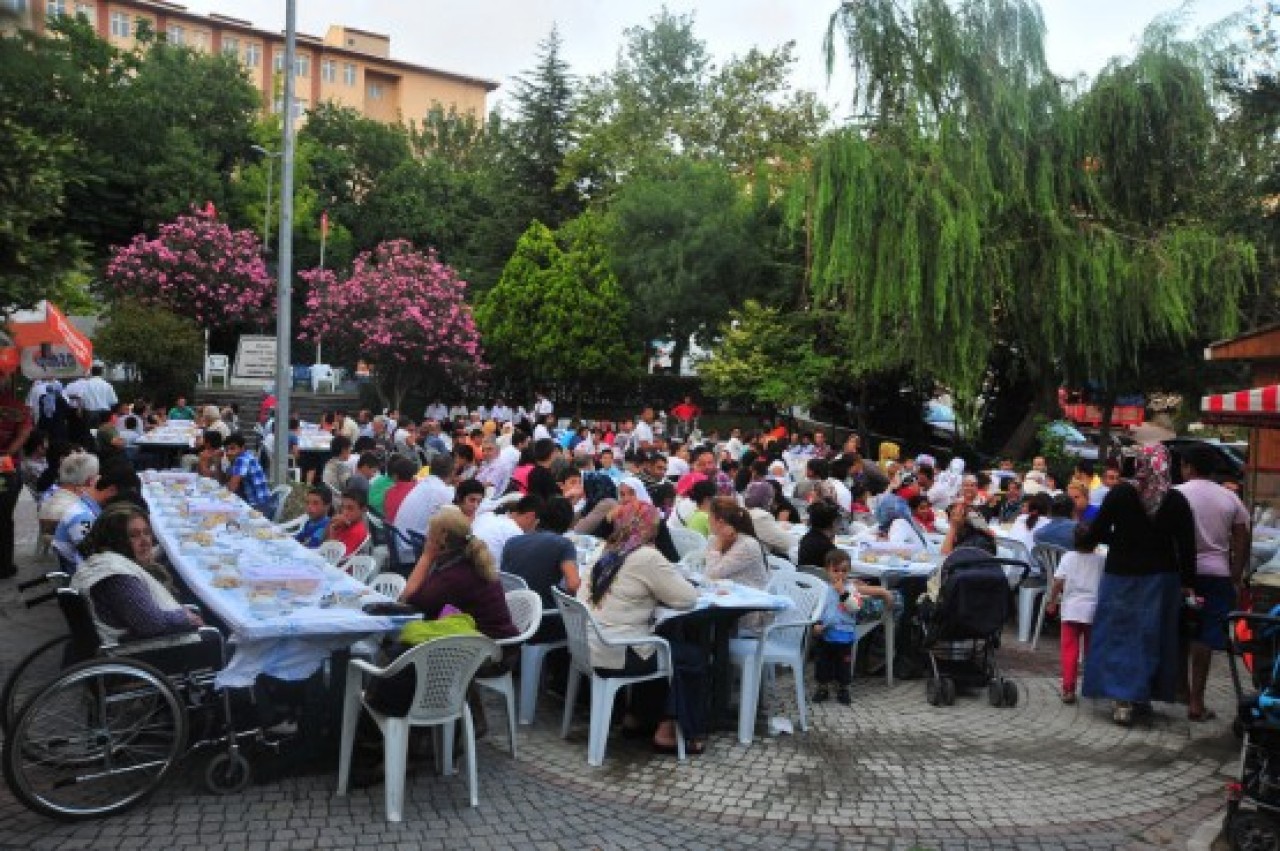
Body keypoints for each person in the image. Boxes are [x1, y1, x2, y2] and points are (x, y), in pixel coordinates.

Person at [1078, 445, 1195, 726]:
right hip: (1161, 578)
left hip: (1121, 575)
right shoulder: (1175, 500)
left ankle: (1121, 700)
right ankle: (1142, 694)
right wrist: (1189, 582)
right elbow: (1187, 546)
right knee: (1151, 636)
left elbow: (1098, 531)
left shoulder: (1120, 494)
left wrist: (1112, 540)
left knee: (1118, 634)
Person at [576, 500, 703, 755]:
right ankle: (667, 732)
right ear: (649, 526)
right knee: (689, 655)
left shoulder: (605, 548)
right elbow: (686, 597)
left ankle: (638, 717)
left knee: (658, 640)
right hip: (616, 651)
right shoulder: (646, 556)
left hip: (587, 646)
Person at [1175, 443, 1251, 722]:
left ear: (1189, 468)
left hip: (1182, 574)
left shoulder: (1177, 495)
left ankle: (1181, 689)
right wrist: (1236, 575)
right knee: (1205, 635)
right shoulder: (1230, 498)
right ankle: (1197, 701)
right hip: (1218, 574)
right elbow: (1243, 536)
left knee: (1180, 629)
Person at [70, 503, 204, 643]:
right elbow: (152, 624)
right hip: (149, 653)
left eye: (147, 532)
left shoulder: (104, 562)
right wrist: (185, 618)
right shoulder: (116, 575)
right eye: (134, 535)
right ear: (114, 539)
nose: (145, 541)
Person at [812, 549, 897, 705]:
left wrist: (843, 593)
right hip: (826, 633)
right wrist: (816, 623)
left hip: (844, 633)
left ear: (848, 572)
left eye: (843, 571)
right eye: (835, 570)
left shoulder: (851, 589)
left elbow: (855, 607)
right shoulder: (823, 589)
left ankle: (843, 688)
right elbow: (818, 608)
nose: (839, 575)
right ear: (827, 570)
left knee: (843, 664)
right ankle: (822, 687)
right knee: (823, 663)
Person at [500, 496, 579, 641]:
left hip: (513, 617)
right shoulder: (563, 545)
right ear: (569, 523)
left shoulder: (512, 542)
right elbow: (573, 584)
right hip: (543, 621)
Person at [1045, 525, 1104, 704]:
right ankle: (1093, 686)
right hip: (1094, 611)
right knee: (1092, 651)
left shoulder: (1068, 557)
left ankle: (1068, 689)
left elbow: (1057, 582)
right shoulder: (1102, 560)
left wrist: (1052, 600)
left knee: (1069, 650)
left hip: (1071, 609)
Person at [0, 374, 33, 578]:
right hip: (7, 469)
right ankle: (4, 565)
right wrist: (6, 454)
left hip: (7, 468)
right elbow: (24, 434)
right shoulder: (19, 408)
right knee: (4, 518)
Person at [393, 453, 455, 562]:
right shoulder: (441, 491)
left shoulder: (423, 483)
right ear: (452, 472)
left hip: (400, 546)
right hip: (412, 552)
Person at [223, 434, 273, 515]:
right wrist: (219, 463)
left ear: (242, 448)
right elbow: (225, 481)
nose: (229, 453)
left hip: (259, 507)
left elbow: (231, 488)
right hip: (262, 502)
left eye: (232, 448)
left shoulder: (242, 459)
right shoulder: (242, 457)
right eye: (226, 450)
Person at [326, 488, 369, 558]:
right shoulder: (344, 523)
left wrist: (333, 530)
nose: (345, 512)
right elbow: (324, 543)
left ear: (363, 510)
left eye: (350, 508)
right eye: (343, 507)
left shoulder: (357, 531)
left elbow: (333, 557)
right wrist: (332, 525)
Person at [798, 500, 841, 568]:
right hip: (824, 578)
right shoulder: (829, 548)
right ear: (834, 523)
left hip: (805, 577)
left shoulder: (805, 539)